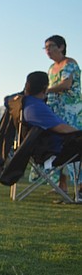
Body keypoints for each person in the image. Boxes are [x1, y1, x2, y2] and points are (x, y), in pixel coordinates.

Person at [43, 35, 82, 194]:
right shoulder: (51, 68)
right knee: (59, 147)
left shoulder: (70, 63)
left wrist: (45, 90)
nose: (47, 50)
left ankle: (79, 185)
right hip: (55, 111)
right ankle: (61, 184)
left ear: (61, 47)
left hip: (71, 111)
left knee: (75, 146)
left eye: (51, 46)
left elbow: (66, 84)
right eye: (45, 47)